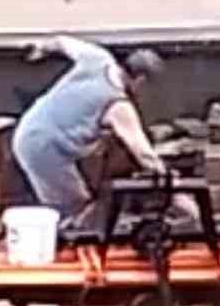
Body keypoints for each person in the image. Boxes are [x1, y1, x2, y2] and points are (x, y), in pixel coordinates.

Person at [11, 35, 166, 231]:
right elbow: (142, 151)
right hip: (44, 148)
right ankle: (65, 252)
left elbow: (62, 42)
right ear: (141, 80)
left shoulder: (99, 59)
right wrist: (164, 174)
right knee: (78, 210)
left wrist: (42, 48)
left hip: (30, 126)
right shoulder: (116, 105)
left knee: (78, 204)